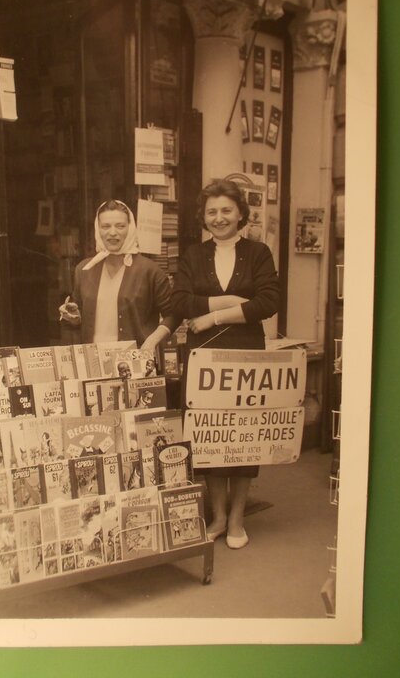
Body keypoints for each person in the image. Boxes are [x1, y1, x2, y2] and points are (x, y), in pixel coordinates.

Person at [171, 179, 280, 549]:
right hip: (203, 357)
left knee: (242, 436)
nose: (219, 218)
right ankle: (217, 515)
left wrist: (213, 317)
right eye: (212, 211)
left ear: (240, 214)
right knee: (209, 434)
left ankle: (236, 519)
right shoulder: (192, 255)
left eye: (226, 210)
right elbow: (182, 303)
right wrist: (233, 301)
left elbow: (268, 302)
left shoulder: (259, 252)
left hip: (245, 355)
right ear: (204, 217)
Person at [59, 199, 176, 351]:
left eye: (120, 226)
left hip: (136, 362)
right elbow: (79, 319)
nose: (112, 232)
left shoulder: (150, 271)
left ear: (131, 227)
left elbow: (173, 315)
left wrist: (152, 341)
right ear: (97, 229)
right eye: (105, 226)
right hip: (93, 362)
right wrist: (73, 317)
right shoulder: (84, 269)